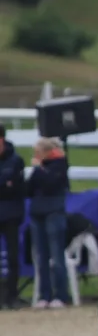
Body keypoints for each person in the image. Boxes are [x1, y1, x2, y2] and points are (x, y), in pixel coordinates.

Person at [26, 137, 71, 308]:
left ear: (46, 152)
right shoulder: (39, 169)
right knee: (41, 257)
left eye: (38, 152)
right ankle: (44, 295)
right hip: (37, 213)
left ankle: (61, 294)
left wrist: (39, 170)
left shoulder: (60, 165)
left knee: (56, 255)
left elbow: (51, 184)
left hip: (54, 212)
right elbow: (29, 189)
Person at [0, 124, 27, 308]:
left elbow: (17, 188)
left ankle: (12, 295)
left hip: (11, 214)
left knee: (13, 256)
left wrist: (7, 186)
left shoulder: (16, 160)